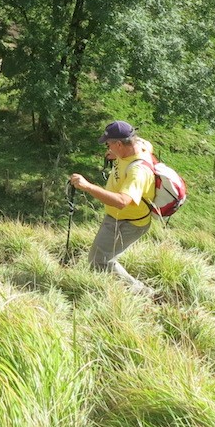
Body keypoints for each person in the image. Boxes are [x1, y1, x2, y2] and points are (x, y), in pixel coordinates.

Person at [69, 120, 156, 296]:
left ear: (119, 143)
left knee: (99, 260)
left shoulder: (138, 172)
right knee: (100, 257)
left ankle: (142, 293)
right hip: (118, 217)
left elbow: (122, 201)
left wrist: (87, 186)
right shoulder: (137, 145)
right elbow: (146, 144)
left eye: (109, 144)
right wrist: (116, 154)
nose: (107, 147)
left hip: (128, 222)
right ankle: (110, 290)